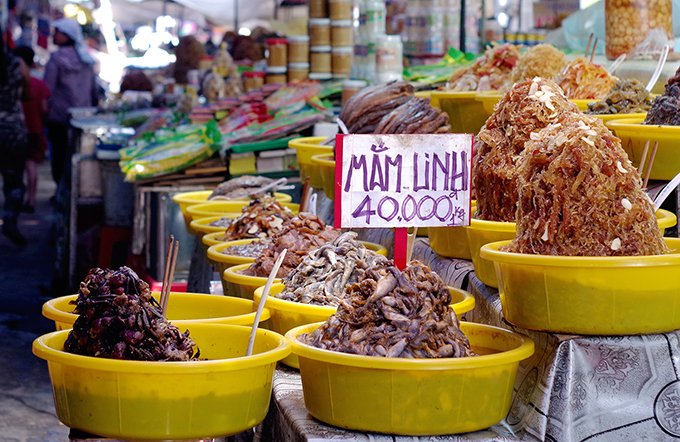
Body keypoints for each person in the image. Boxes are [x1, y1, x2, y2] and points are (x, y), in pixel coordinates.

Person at [44, 18, 98, 189]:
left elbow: (47, 90)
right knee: (79, 155)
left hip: (59, 117)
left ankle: (61, 192)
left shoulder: (56, 59)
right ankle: (72, 191)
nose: (53, 35)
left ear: (67, 36)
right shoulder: (86, 59)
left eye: (57, 33)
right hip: (85, 118)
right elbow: (94, 90)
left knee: (59, 155)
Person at [0, 29, 30, 246]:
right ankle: (9, 219)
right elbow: (28, 93)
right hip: (12, 130)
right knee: (14, 183)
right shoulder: (17, 63)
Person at [14, 45, 50, 213]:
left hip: (14, 130)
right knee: (31, 165)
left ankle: (13, 202)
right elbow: (44, 109)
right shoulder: (39, 84)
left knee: (13, 168)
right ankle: (31, 199)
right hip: (34, 129)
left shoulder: (11, 81)